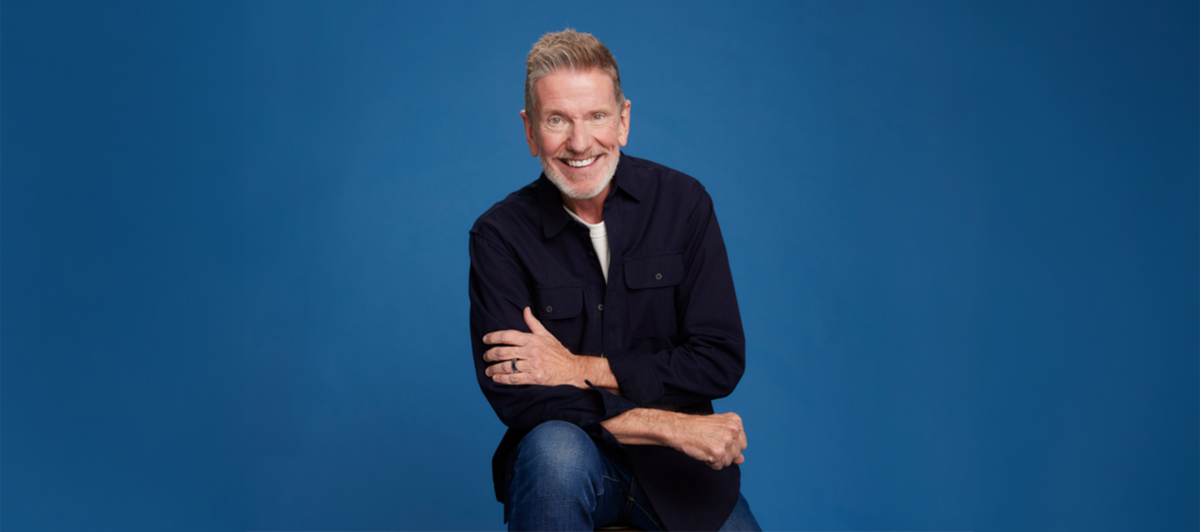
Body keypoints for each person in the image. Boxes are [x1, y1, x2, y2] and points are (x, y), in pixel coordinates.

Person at [468, 29, 760, 532]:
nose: (579, 143)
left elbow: (719, 360)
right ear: (530, 130)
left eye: (596, 117)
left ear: (623, 120)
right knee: (555, 448)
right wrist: (668, 425)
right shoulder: (499, 236)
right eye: (557, 120)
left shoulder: (684, 204)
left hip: (684, 481)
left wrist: (575, 367)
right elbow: (521, 396)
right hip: (566, 468)